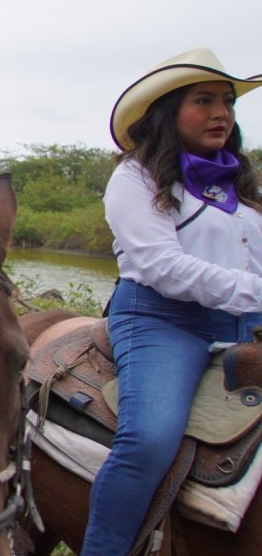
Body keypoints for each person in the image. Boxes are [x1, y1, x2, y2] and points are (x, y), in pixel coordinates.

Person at [83, 48, 262, 555]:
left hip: (246, 320)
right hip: (164, 321)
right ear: (167, 112)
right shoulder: (135, 179)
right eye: (203, 101)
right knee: (150, 440)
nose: (221, 113)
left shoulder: (241, 185)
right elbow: (164, 267)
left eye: (227, 101)